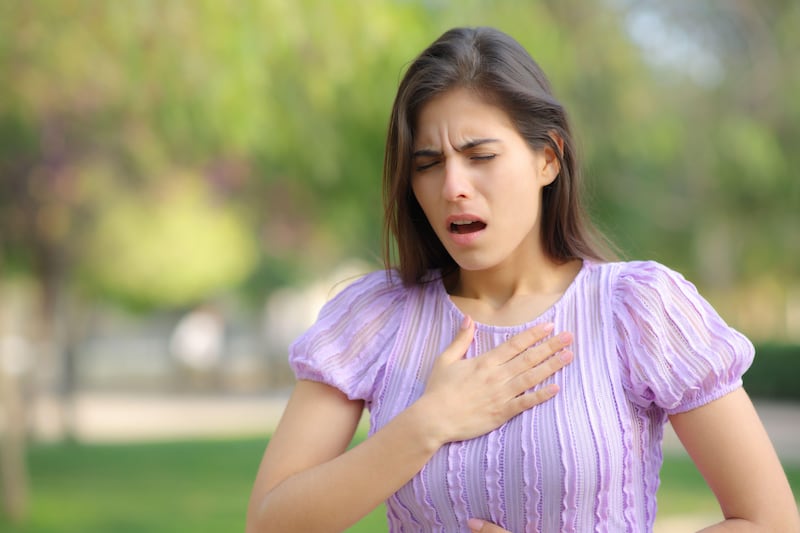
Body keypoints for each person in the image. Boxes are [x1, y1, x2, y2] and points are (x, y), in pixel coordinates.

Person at [246, 26, 799, 532]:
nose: (453, 186)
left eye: (479, 155)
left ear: (548, 159)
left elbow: (770, 520)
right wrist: (428, 424)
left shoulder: (639, 309)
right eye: (428, 163)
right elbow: (268, 524)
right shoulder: (375, 317)